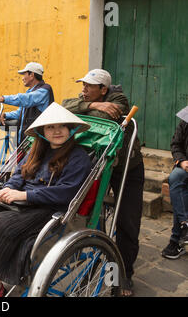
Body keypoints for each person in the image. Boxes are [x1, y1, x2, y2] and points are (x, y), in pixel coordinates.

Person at [0, 102, 91, 297]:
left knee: (1, 222)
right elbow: (19, 174)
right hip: (21, 202)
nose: (57, 131)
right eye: (50, 127)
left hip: (49, 209)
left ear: (70, 129)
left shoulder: (78, 156)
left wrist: (25, 195)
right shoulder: (37, 150)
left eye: (62, 126)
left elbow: (66, 192)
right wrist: (8, 189)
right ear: (42, 131)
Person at [62, 68, 144, 297]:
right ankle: (99, 249)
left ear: (103, 90)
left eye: (89, 86)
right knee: (89, 209)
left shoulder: (119, 100)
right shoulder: (88, 100)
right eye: (83, 85)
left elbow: (104, 119)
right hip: (98, 163)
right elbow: (63, 106)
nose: (83, 90)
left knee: (127, 221)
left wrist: (86, 112)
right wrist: (91, 106)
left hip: (126, 167)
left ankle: (124, 274)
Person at [0, 62, 54, 143]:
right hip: (25, 139)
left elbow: (27, 99)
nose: (23, 78)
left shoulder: (44, 90)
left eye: (24, 75)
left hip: (38, 140)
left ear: (32, 75)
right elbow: (20, 113)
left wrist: (3, 98)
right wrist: (5, 115)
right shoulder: (31, 91)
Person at [161, 107, 188, 259]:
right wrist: (182, 161)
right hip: (186, 167)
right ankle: (185, 224)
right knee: (175, 178)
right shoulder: (185, 123)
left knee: (181, 193)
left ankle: (175, 241)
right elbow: (176, 144)